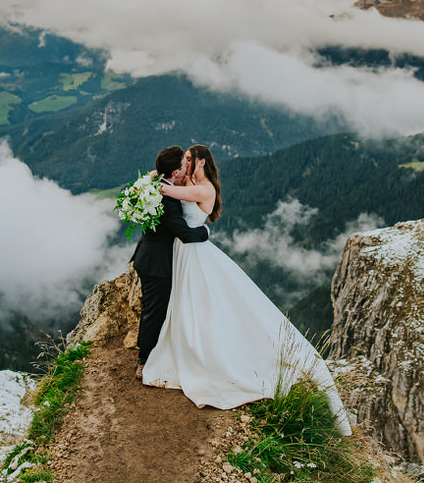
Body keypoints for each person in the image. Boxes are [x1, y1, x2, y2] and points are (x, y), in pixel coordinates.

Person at [142, 144, 352, 435]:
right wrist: (160, 175)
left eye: (190, 159)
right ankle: (188, 340)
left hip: (194, 250)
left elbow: (170, 192)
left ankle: (204, 351)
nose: (186, 163)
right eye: (184, 160)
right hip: (184, 252)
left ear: (201, 162)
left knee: (201, 301)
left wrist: (154, 183)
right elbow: (174, 185)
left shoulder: (204, 189)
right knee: (188, 301)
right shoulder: (190, 180)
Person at [129, 145, 210, 381]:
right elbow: (184, 233)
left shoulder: (154, 186)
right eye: (184, 165)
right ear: (175, 172)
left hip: (148, 255)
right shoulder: (167, 200)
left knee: (153, 310)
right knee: (154, 312)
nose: (187, 166)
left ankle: (153, 351)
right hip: (157, 263)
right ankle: (144, 360)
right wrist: (204, 231)